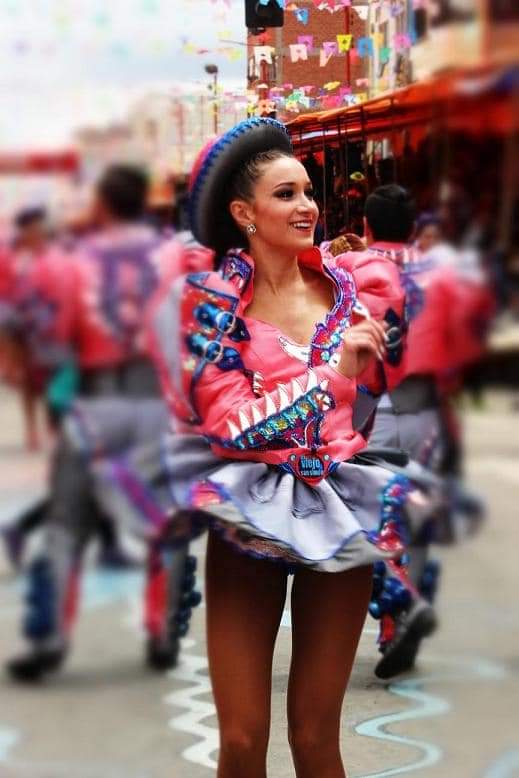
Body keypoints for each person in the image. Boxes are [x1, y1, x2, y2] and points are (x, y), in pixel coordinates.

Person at [149, 118, 435, 777]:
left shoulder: (349, 291)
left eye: (307, 192)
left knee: (314, 737)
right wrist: (333, 370)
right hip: (248, 515)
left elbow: (375, 401)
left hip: (337, 512)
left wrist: (378, 360)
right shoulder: (209, 305)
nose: (306, 206)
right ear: (242, 212)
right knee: (243, 741)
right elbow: (229, 426)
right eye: (285, 194)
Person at [6, 165, 203, 682]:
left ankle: (49, 636)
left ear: (102, 203)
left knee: (66, 522)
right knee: (165, 518)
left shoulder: (73, 262)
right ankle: (163, 632)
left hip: (95, 403)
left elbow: (55, 336)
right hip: (155, 404)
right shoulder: (174, 256)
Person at [350, 185, 461, 678]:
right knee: (412, 516)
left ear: (367, 227)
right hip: (425, 409)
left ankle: (399, 614)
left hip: (368, 409)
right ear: (415, 228)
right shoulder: (443, 273)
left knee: (364, 515)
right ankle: (403, 610)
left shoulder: (348, 270)